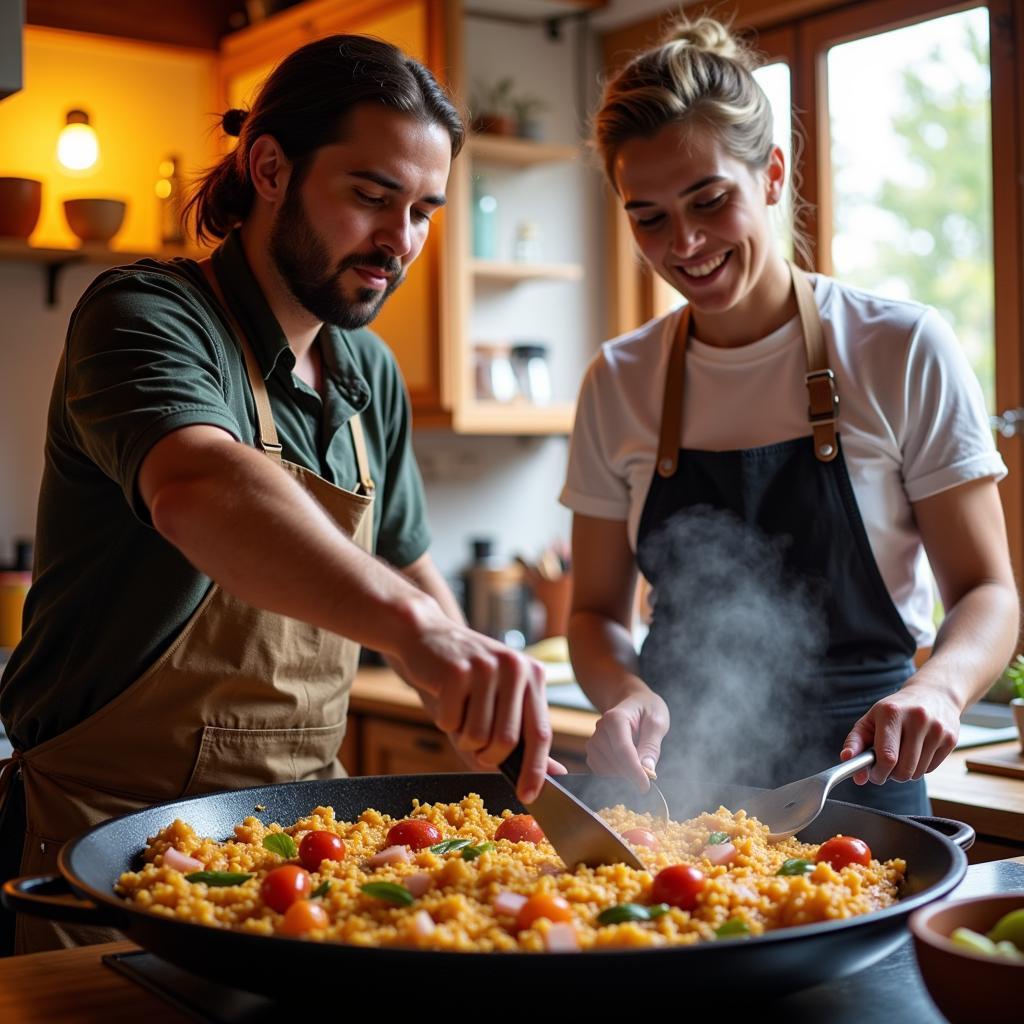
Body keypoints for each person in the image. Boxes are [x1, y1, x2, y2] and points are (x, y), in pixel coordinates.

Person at [0, 34, 554, 955]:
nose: (400, 241)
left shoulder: (368, 373)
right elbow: (201, 486)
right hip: (105, 840)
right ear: (268, 168)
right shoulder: (145, 315)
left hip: (307, 843)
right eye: (372, 197)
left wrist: (478, 696)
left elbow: (414, 578)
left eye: (423, 210)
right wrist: (425, 638)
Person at [561, 14, 1018, 815]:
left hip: (862, 780)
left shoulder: (899, 347)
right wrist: (627, 692)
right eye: (650, 217)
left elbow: (988, 590)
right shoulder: (619, 378)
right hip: (671, 788)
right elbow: (595, 612)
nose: (686, 243)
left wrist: (941, 689)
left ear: (770, 175)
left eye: (710, 199)